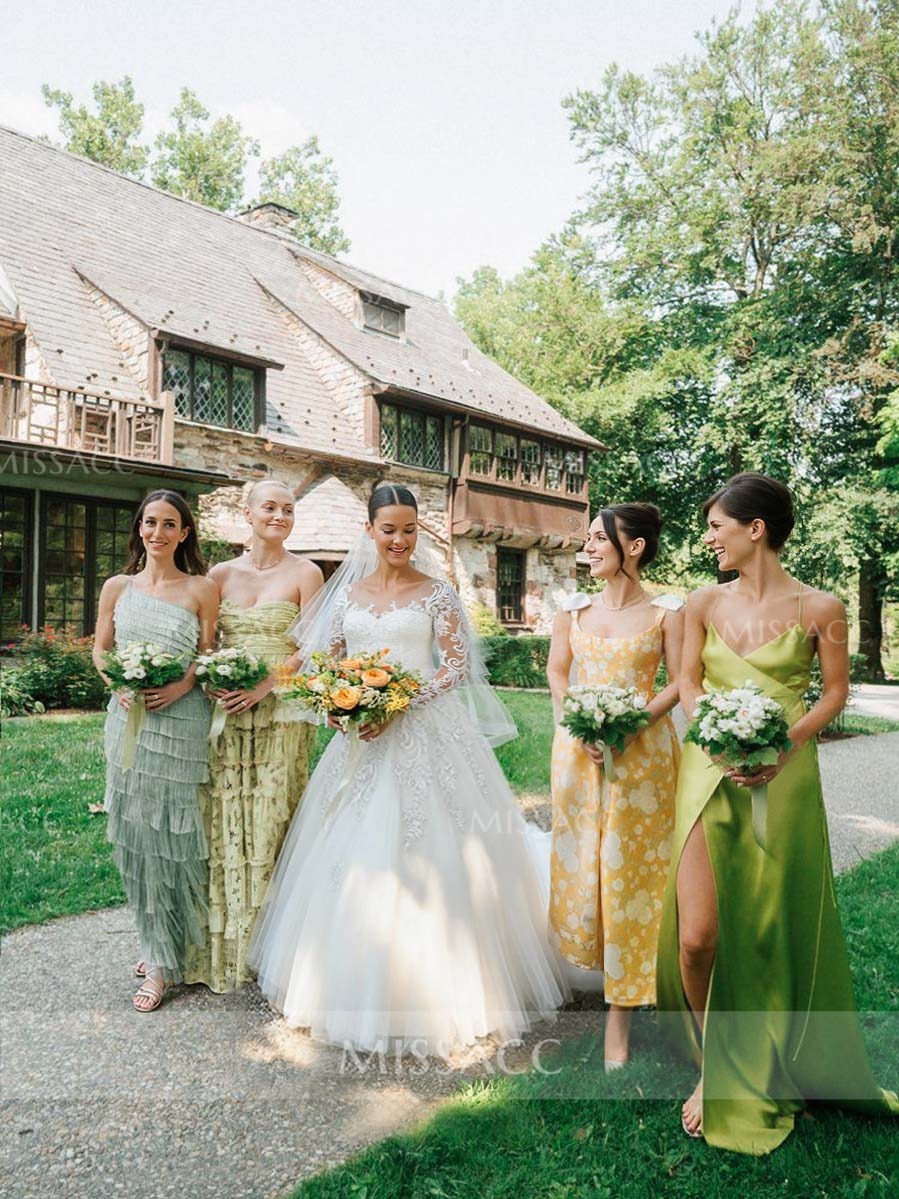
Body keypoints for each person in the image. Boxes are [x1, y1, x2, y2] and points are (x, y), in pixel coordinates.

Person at [248, 483, 569, 1055]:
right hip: (361, 742)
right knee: (350, 849)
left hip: (427, 732)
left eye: (409, 529)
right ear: (369, 531)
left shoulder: (437, 593)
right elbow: (329, 663)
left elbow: (454, 667)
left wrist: (398, 701)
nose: (399, 540)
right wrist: (339, 706)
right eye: (389, 529)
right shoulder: (347, 596)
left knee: (435, 841)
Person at [656, 472, 899, 1152]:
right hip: (707, 767)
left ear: (754, 528)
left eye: (716, 527)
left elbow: (833, 693)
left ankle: (767, 1055)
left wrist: (781, 745)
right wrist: (715, 732)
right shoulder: (702, 602)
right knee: (697, 935)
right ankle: (713, 1062)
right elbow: (687, 681)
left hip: (784, 773)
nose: (708, 539)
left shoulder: (821, 606)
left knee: (769, 923)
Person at [547, 503, 683, 1070]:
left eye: (600, 539)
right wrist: (578, 722)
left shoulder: (667, 612)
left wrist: (630, 725)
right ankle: (601, 970)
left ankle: (621, 1016)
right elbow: (557, 672)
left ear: (635, 547)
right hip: (579, 754)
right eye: (589, 539)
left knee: (633, 874)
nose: (589, 547)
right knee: (588, 867)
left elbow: (681, 682)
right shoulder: (572, 609)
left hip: (642, 758)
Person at [184, 481, 324, 993]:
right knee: (223, 819)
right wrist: (213, 678)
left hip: (281, 712)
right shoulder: (220, 575)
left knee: (270, 820)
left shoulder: (306, 573)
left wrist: (265, 685)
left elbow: (314, 646)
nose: (280, 516)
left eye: (288, 509)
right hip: (226, 712)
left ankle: (271, 949)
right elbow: (204, 642)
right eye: (270, 507)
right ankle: (220, 945)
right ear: (248, 514)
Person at [93, 490, 218, 1012]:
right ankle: (154, 940)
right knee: (137, 836)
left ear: (184, 533)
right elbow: (101, 650)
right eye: (150, 522)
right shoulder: (117, 587)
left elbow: (207, 656)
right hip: (129, 722)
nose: (158, 532)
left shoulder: (202, 589)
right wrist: (118, 684)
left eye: (169, 524)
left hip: (181, 724)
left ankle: (167, 958)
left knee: (174, 836)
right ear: (139, 529)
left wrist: (181, 686)